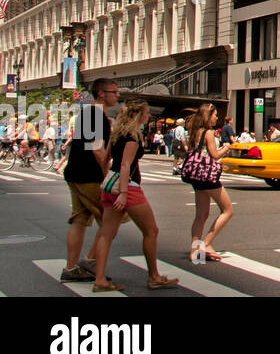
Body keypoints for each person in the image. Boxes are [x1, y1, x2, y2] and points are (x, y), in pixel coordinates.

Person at [88, 97, 179, 292]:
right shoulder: (133, 136)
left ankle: (100, 279)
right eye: (146, 113)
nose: (148, 116)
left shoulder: (116, 134)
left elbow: (105, 159)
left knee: (106, 233)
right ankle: (153, 276)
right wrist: (123, 192)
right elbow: (125, 165)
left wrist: (108, 182)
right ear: (138, 115)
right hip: (128, 188)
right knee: (151, 231)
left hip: (110, 187)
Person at [59, 78, 119, 282]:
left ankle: (71, 268)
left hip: (75, 174)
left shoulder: (87, 114)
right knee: (112, 219)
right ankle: (91, 261)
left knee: (79, 219)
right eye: (114, 92)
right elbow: (97, 150)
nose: (117, 96)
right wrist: (108, 178)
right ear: (101, 93)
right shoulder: (95, 115)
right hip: (88, 176)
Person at [184, 103, 235, 262]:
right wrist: (226, 148)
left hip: (196, 177)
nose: (217, 117)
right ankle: (206, 243)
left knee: (201, 215)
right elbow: (214, 155)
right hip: (208, 177)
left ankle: (195, 250)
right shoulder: (209, 133)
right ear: (208, 116)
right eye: (215, 115)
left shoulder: (195, 131)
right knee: (227, 210)